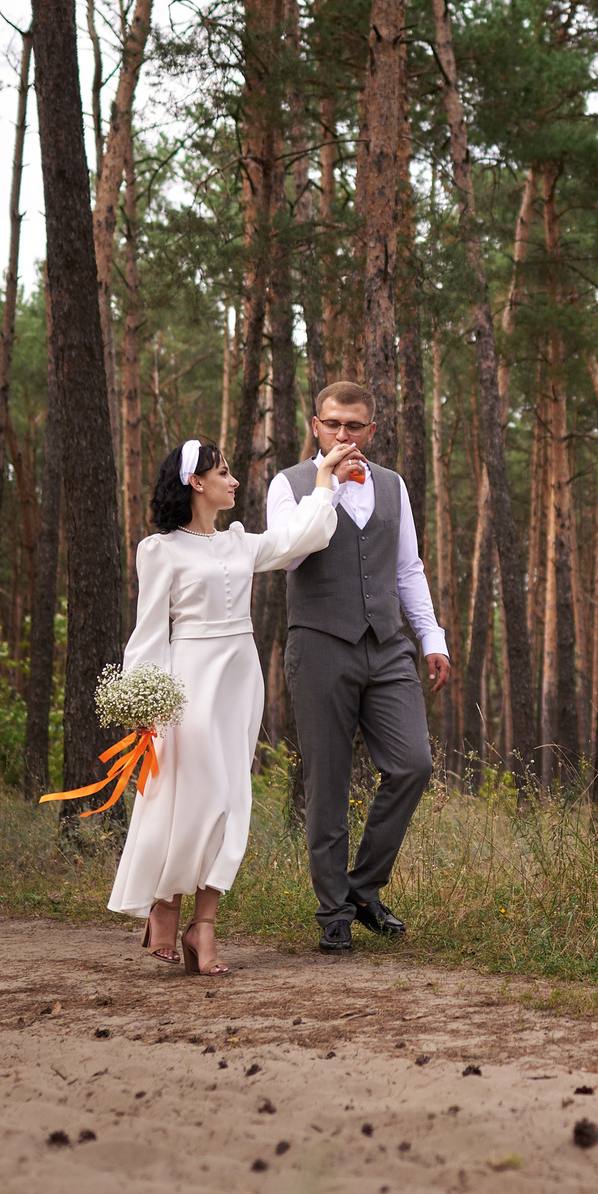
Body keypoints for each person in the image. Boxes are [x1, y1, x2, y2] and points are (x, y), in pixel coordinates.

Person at [105, 436, 351, 974]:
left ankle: (205, 925)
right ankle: (165, 905)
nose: (235, 481)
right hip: (187, 683)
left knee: (231, 797)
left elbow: (303, 536)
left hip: (240, 681)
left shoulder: (240, 543)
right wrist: (144, 702)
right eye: (223, 473)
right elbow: (149, 632)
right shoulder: (160, 549)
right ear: (196, 482)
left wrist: (325, 478)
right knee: (190, 796)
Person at [264, 381, 450, 954]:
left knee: (413, 764)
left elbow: (408, 567)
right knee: (327, 780)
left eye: (353, 426)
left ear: (371, 430)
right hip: (320, 643)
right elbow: (287, 554)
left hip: (387, 644)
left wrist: (431, 637)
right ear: (315, 426)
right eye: (332, 424)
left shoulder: (392, 485)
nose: (342, 434)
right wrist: (328, 485)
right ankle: (334, 911)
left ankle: (363, 888)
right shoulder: (289, 484)